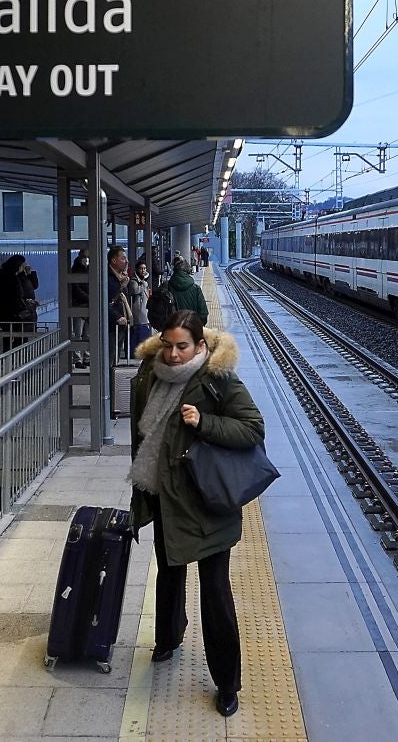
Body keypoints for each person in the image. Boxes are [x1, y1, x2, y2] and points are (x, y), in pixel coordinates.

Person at [126, 311, 265, 718]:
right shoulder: (149, 373)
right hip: (165, 496)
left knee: (215, 592)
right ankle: (168, 639)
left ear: (200, 345)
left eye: (182, 346)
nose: (173, 354)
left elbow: (252, 428)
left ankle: (227, 682)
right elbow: (143, 435)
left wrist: (204, 422)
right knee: (169, 573)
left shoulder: (216, 379)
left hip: (207, 502)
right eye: (167, 345)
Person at [0, 255, 39, 351]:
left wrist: (30, 274)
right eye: (22, 265)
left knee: (11, 339)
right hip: (14, 314)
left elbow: (31, 287)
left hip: (9, 314)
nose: (25, 266)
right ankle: (16, 358)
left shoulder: (13, 276)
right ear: (17, 265)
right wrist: (25, 306)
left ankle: (11, 357)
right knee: (18, 339)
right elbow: (14, 297)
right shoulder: (10, 278)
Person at [107, 245, 133, 360]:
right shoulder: (107, 277)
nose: (127, 261)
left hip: (122, 322)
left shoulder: (122, 277)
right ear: (114, 260)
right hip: (111, 324)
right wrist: (117, 316)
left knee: (116, 356)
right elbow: (106, 301)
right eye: (123, 258)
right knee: (111, 355)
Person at [169, 257, 209, 322]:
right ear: (187, 270)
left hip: (174, 325)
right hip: (191, 324)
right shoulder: (196, 288)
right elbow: (203, 313)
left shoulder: (168, 286)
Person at [70, 249, 91, 368]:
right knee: (78, 333)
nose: (86, 259)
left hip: (88, 305)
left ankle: (87, 357)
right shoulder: (75, 270)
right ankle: (77, 359)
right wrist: (89, 297)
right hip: (79, 304)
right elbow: (76, 288)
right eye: (84, 256)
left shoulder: (90, 269)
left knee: (87, 334)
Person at [128, 259, 154, 350]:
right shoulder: (134, 281)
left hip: (144, 309)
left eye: (144, 268)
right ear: (137, 269)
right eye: (141, 268)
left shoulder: (143, 280)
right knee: (138, 332)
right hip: (138, 310)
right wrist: (144, 284)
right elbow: (135, 290)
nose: (143, 270)